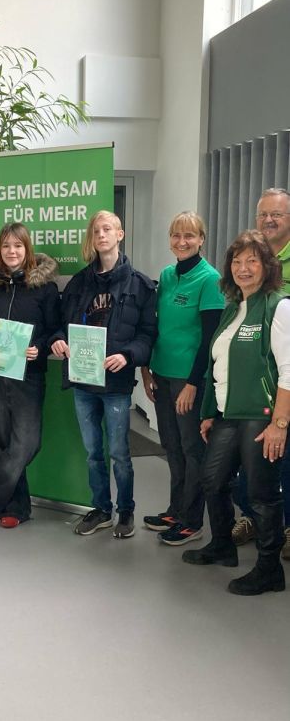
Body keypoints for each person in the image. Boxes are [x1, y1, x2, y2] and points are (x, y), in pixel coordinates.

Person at [182, 230, 290, 596]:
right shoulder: (233, 308)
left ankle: (269, 569)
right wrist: (210, 412)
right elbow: (219, 366)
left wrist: (279, 424)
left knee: (261, 493)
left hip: (261, 416)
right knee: (212, 480)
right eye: (237, 261)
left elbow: (288, 370)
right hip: (228, 414)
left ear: (267, 265)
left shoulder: (278, 306)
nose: (243, 268)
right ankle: (222, 546)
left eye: (252, 261)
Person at [51, 210, 157, 539]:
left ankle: (126, 511)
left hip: (116, 385)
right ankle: (101, 509)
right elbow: (60, 324)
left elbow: (148, 336)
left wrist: (127, 355)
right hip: (83, 382)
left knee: (119, 453)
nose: (101, 235)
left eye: (107, 229)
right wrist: (58, 340)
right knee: (93, 453)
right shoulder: (79, 283)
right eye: (96, 230)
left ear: (119, 235)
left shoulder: (140, 285)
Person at [141, 212, 224, 545]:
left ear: (201, 239)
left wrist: (192, 383)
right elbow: (157, 326)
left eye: (189, 235)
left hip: (189, 379)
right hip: (162, 373)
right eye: (176, 235)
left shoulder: (210, 279)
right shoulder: (166, 275)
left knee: (192, 449)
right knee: (171, 446)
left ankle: (192, 521)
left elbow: (209, 339)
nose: (182, 241)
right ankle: (175, 510)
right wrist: (147, 369)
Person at [0, 222, 60, 528]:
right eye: (6, 246)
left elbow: (54, 329)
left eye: (18, 246)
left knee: (27, 442)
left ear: (28, 249)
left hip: (29, 374)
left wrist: (40, 347)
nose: (11, 251)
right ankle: (15, 508)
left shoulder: (45, 288)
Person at [255, 188, 290, 561]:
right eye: (263, 214)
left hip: (288, 377)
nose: (268, 220)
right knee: (257, 459)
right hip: (257, 380)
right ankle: (257, 521)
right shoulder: (253, 259)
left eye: (276, 214)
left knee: (287, 459)